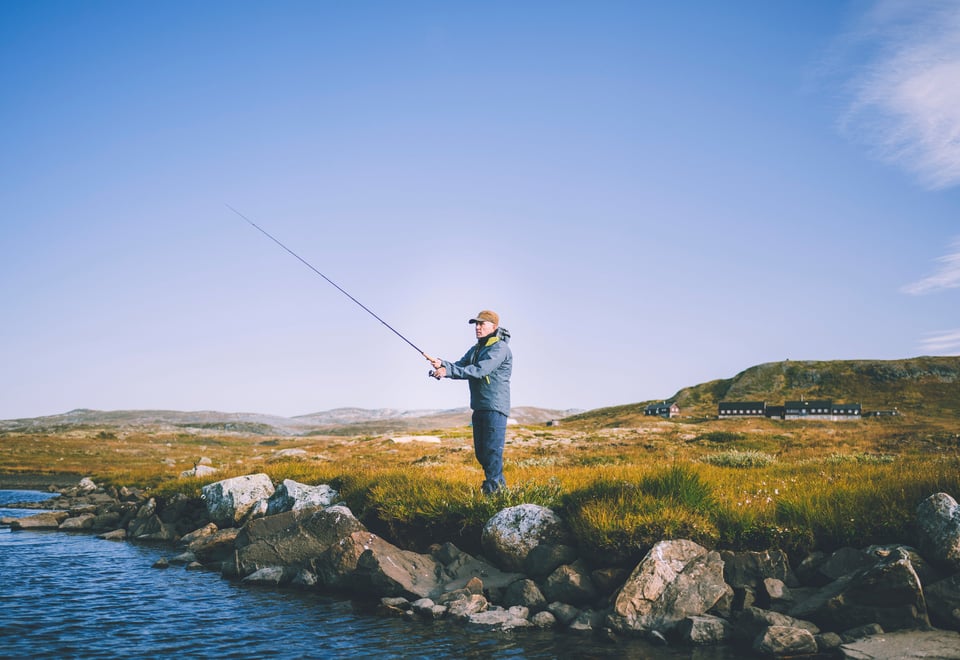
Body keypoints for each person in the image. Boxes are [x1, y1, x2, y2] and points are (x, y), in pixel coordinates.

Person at [429, 310, 512, 494]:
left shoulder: (499, 348)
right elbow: (460, 366)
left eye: (482, 324)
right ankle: (499, 490)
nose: (477, 327)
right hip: (480, 407)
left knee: (492, 453)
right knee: (482, 454)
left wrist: (447, 371)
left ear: (494, 327)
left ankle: (493, 493)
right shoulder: (476, 349)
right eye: (476, 324)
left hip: (495, 407)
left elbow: (479, 370)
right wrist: (442, 364)